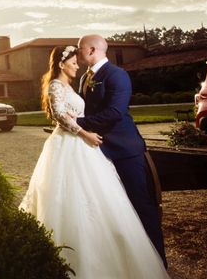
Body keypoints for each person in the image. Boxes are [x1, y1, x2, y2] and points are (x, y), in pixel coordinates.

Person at [20, 45, 169, 279]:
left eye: (79, 60)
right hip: (71, 145)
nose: (77, 64)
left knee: (118, 200)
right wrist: (85, 132)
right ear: (61, 63)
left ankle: (154, 259)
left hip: (97, 147)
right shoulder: (57, 86)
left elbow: (111, 111)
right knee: (71, 198)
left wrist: (81, 123)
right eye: (73, 61)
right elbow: (60, 116)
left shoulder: (102, 77)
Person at [76, 34, 167, 267]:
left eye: (81, 48)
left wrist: (77, 124)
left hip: (125, 150)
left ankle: (158, 263)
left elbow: (115, 113)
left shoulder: (117, 75)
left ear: (92, 49)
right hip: (97, 151)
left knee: (141, 205)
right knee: (112, 207)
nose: (78, 52)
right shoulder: (85, 78)